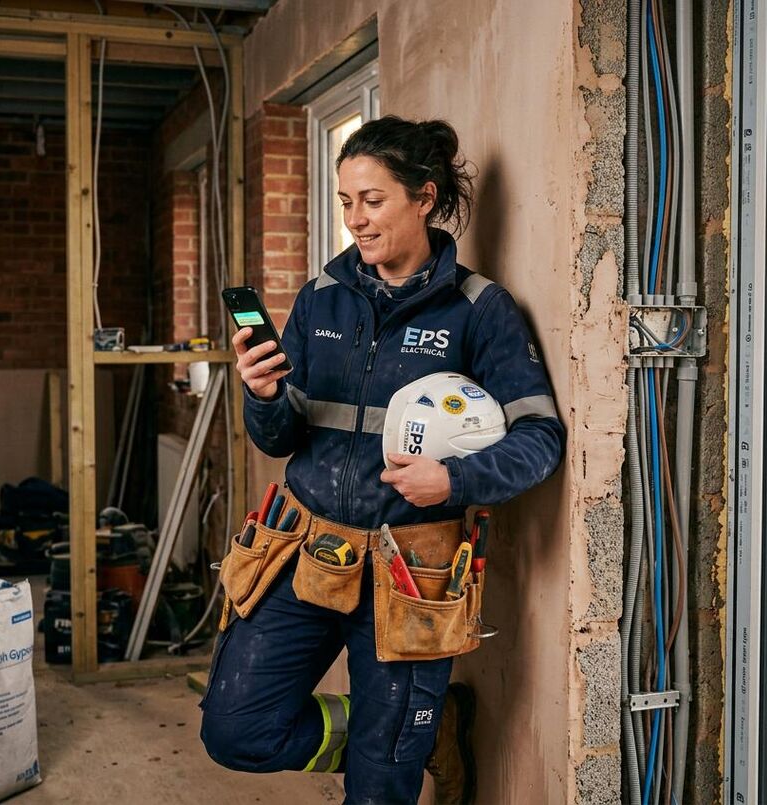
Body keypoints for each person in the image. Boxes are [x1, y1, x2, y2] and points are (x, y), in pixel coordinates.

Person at [199, 116, 565, 804]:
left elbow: (540, 440)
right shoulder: (321, 298)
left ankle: (401, 745)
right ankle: (409, 734)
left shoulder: (479, 311)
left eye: (372, 200)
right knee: (234, 728)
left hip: (410, 574)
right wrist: (263, 395)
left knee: (378, 786)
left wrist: (452, 479)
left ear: (424, 197)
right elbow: (280, 438)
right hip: (307, 552)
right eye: (345, 201)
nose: (356, 220)